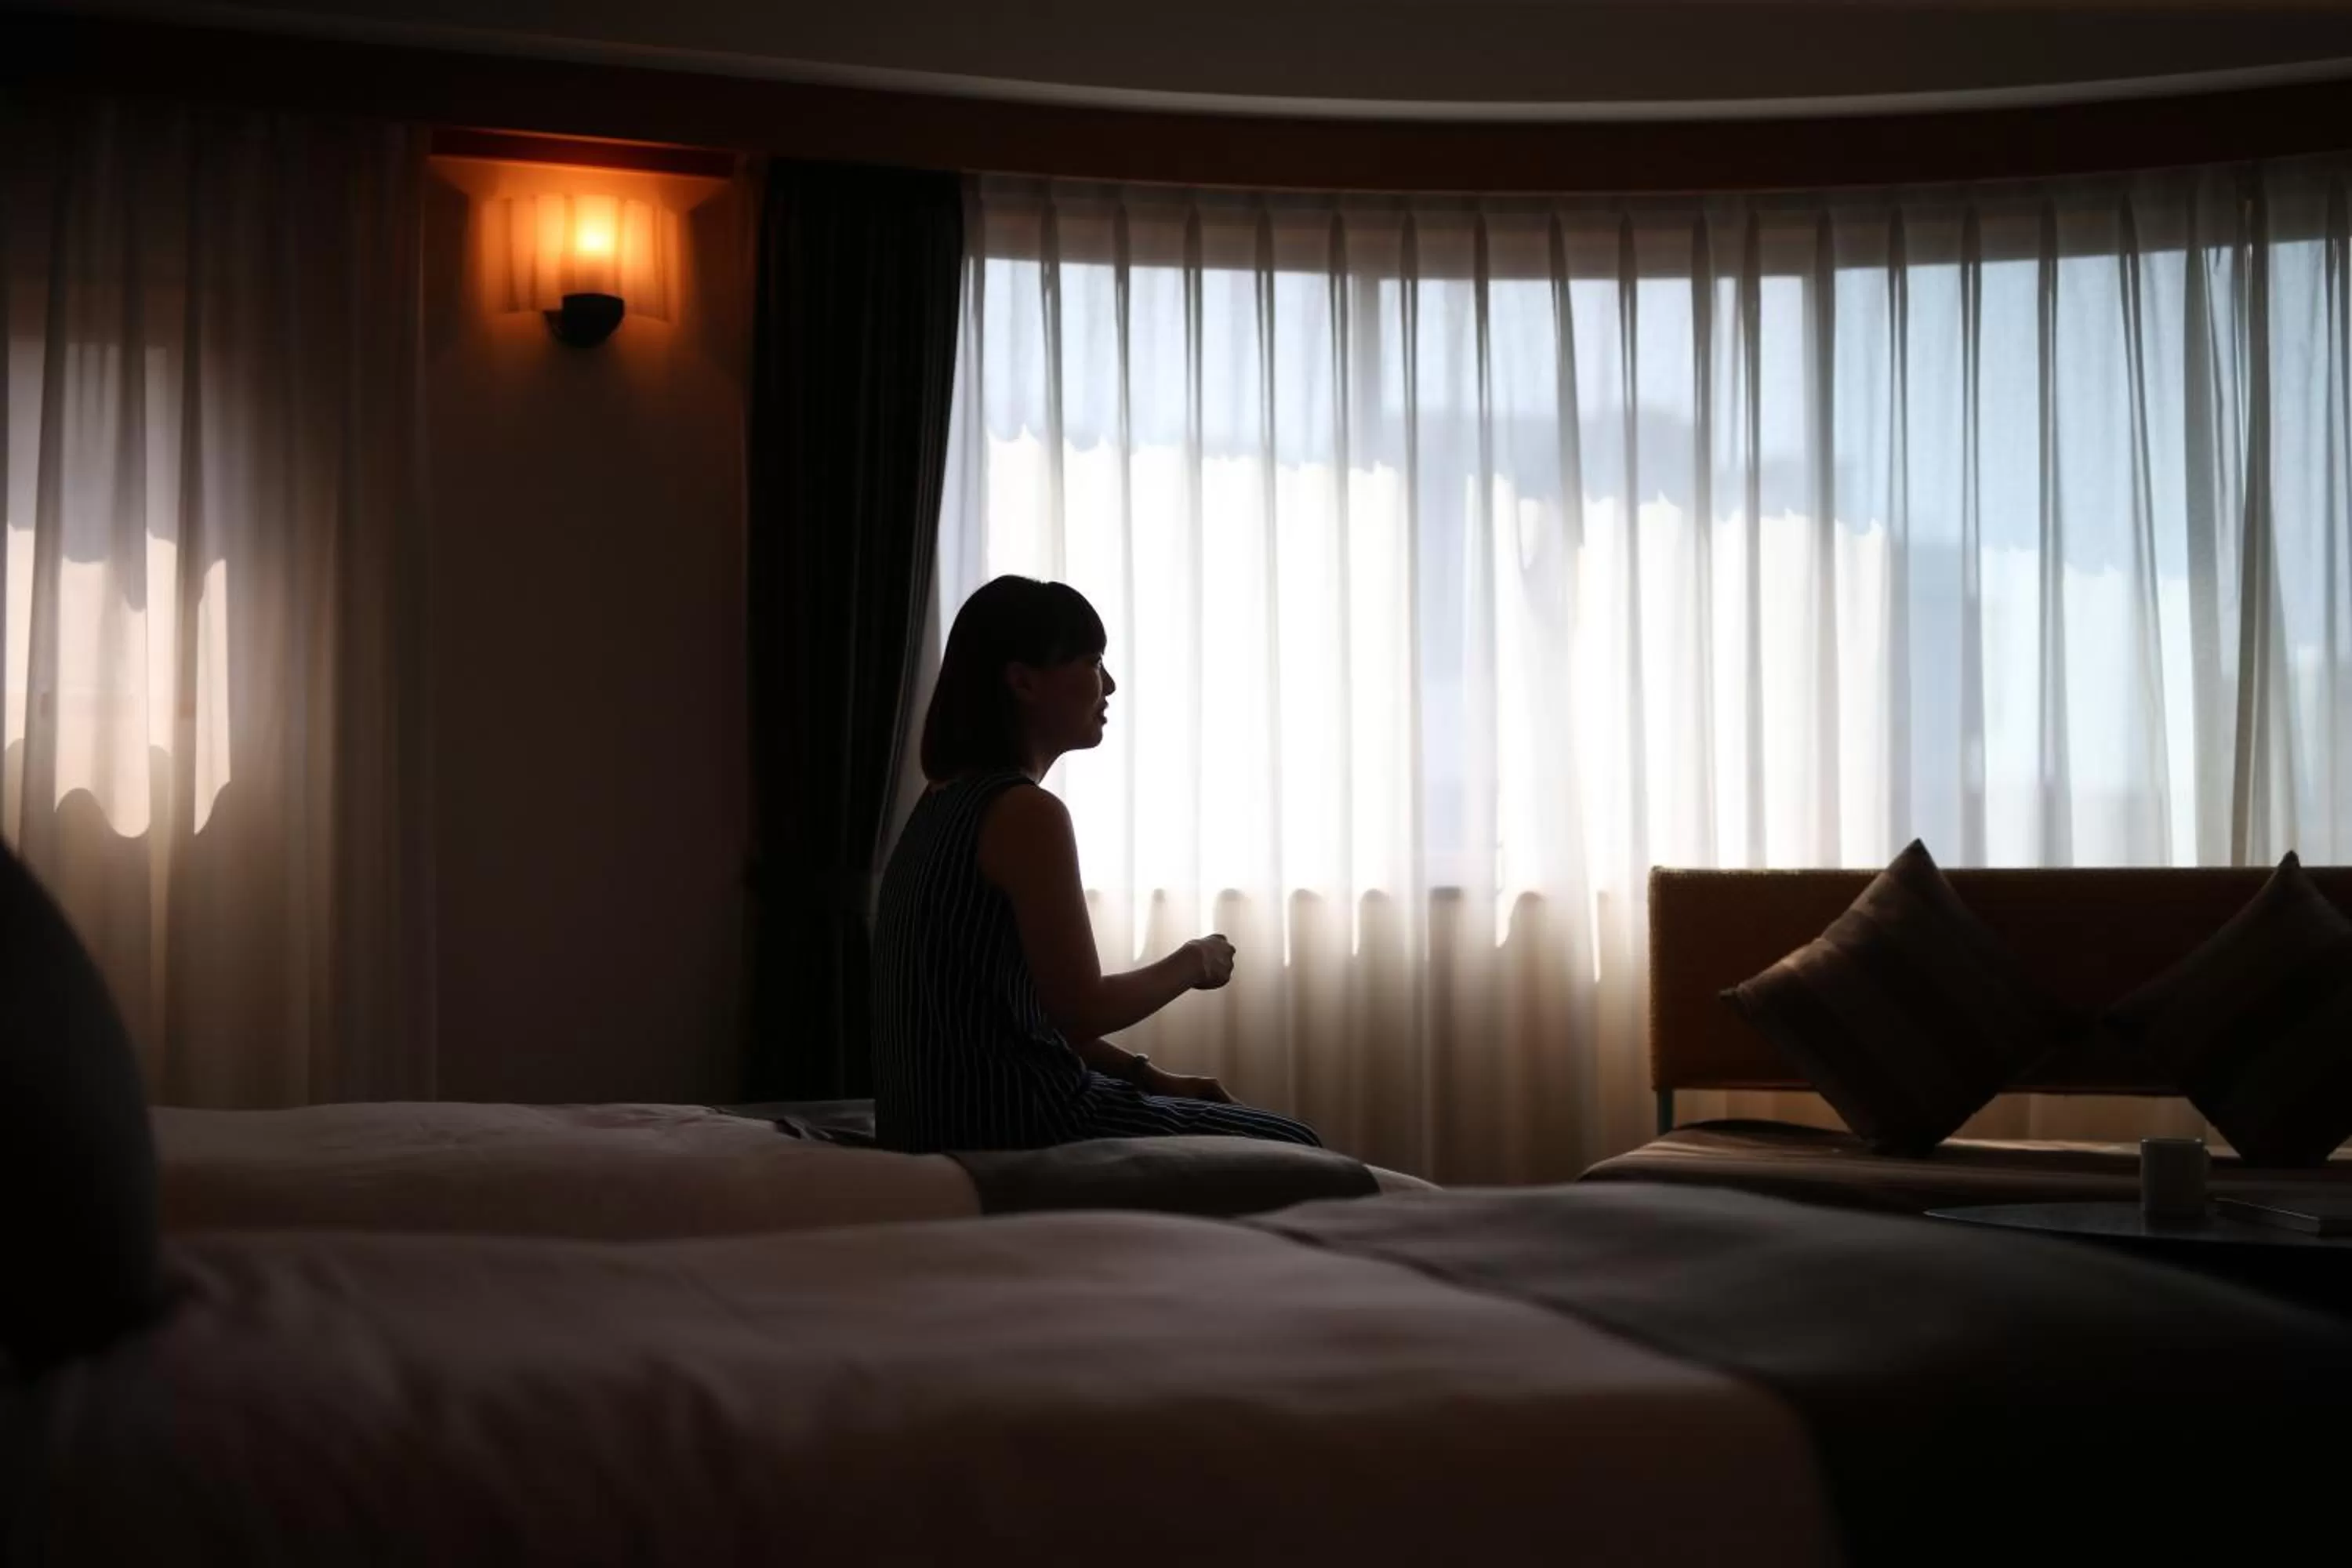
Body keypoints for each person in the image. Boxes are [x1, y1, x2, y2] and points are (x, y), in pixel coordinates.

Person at [871, 575, 1322, 1153]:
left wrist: (1147, 1076)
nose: (1107, 684)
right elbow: (1080, 1005)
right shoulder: (1025, 814)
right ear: (1024, 681)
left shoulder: (940, 802)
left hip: (936, 1121)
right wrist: (1194, 960)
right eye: (1091, 661)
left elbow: (1018, 1012)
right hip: (1021, 1120)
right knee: (1296, 1146)